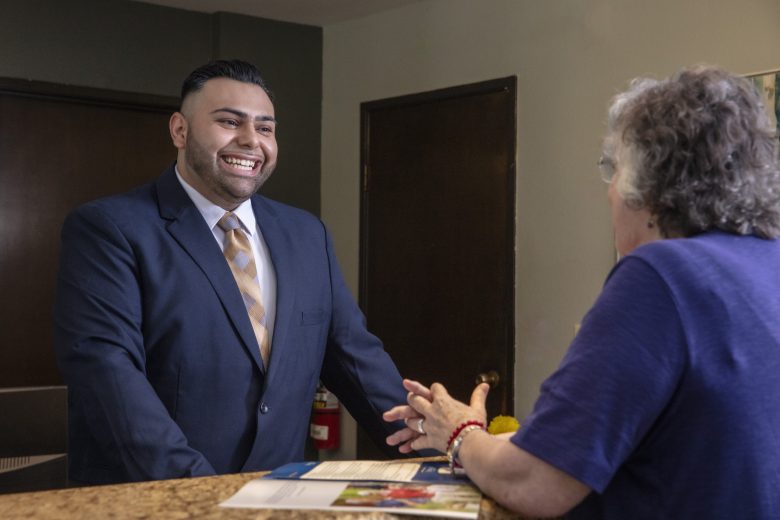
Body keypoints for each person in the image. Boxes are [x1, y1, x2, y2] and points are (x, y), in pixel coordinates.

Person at [384, 65, 780, 519]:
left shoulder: (661, 275)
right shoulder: (768, 263)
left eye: (614, 170)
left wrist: (460, 434)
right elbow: (680, 436)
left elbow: (535, 482)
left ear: (645, 183)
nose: (610, 190)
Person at [54, 59, 408, 484]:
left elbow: (356, 359)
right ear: (179, 131)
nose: (250, 141)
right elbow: (107, 372)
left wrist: (446, 452)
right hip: (158, 499)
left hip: (276, 496)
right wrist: (201, 494)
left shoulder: (307, 233)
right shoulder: (110, 228)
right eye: (229, 122)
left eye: (265, 128)